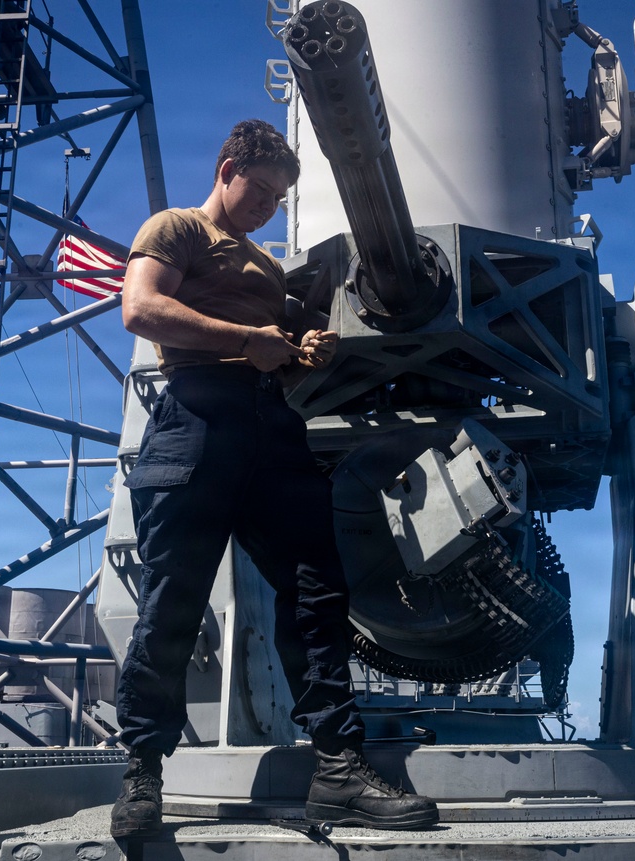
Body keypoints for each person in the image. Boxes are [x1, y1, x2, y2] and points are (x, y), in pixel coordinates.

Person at [110, 119, 438, 839]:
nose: (265, 207)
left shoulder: (262, 264)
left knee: (318, 590)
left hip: (271, 425)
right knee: (173, 599)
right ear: (227, 169)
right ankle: (143, 772)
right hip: (198, 415)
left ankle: (337, 768)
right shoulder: (177, 229)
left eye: (277, 199)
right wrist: (248, 341)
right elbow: (141, 308)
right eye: (257, 191)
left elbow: (282, 345)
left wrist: (303, 346)